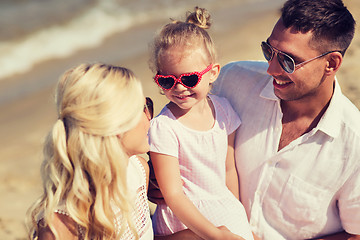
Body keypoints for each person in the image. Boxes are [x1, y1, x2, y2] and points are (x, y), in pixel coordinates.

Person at [149, 0, 360, 239]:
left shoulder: (354, 145)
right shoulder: (232, 80)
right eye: (269, 51)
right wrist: (153, 176)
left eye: (288, 61)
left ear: (331, 64)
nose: (271, 68)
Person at [148, 6, 254, 240]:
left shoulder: (224, 110)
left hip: (223, 207)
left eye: (189, 78)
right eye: (167, 80)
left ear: (213, 73)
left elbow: (228, 170)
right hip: (184, 222)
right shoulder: (164, 127)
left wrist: (237, 214)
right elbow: (173, 195)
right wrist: (215, 235)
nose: (179, 87)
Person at [26, 63, 154, 240]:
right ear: (116, 125)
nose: (150, 116)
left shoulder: (139, 171)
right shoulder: (62, 224)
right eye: (143, 107)